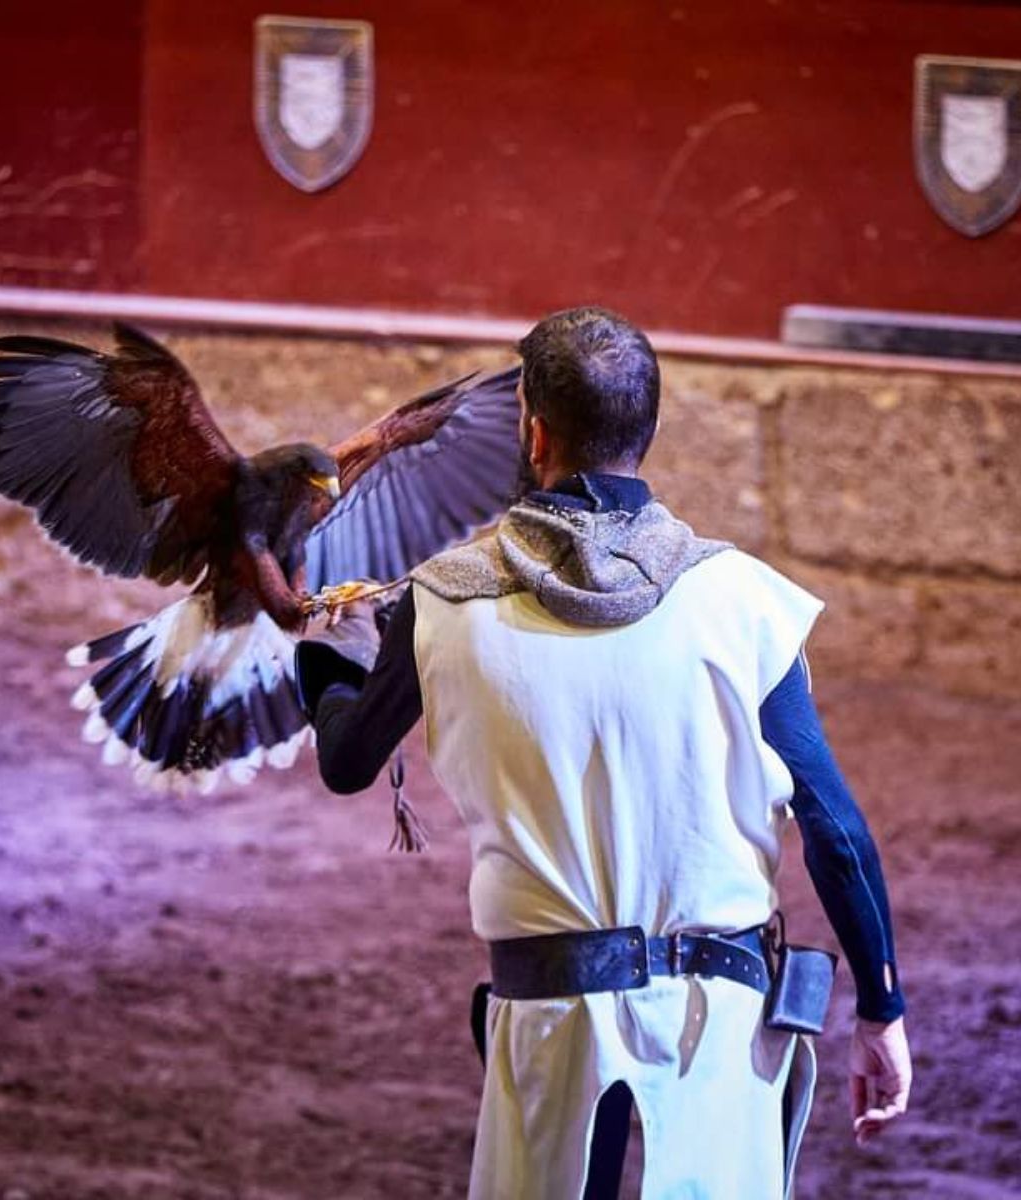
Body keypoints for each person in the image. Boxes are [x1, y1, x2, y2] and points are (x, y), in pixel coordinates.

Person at [295, 307, 912, 1199]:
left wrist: (329, 656)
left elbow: (347, 760)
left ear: (534, 433)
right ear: (647, 431)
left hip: (547, 1030)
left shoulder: (439, 602)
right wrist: (882, 1009)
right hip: (718, 1031)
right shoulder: (745, 600)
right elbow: (836, 832)